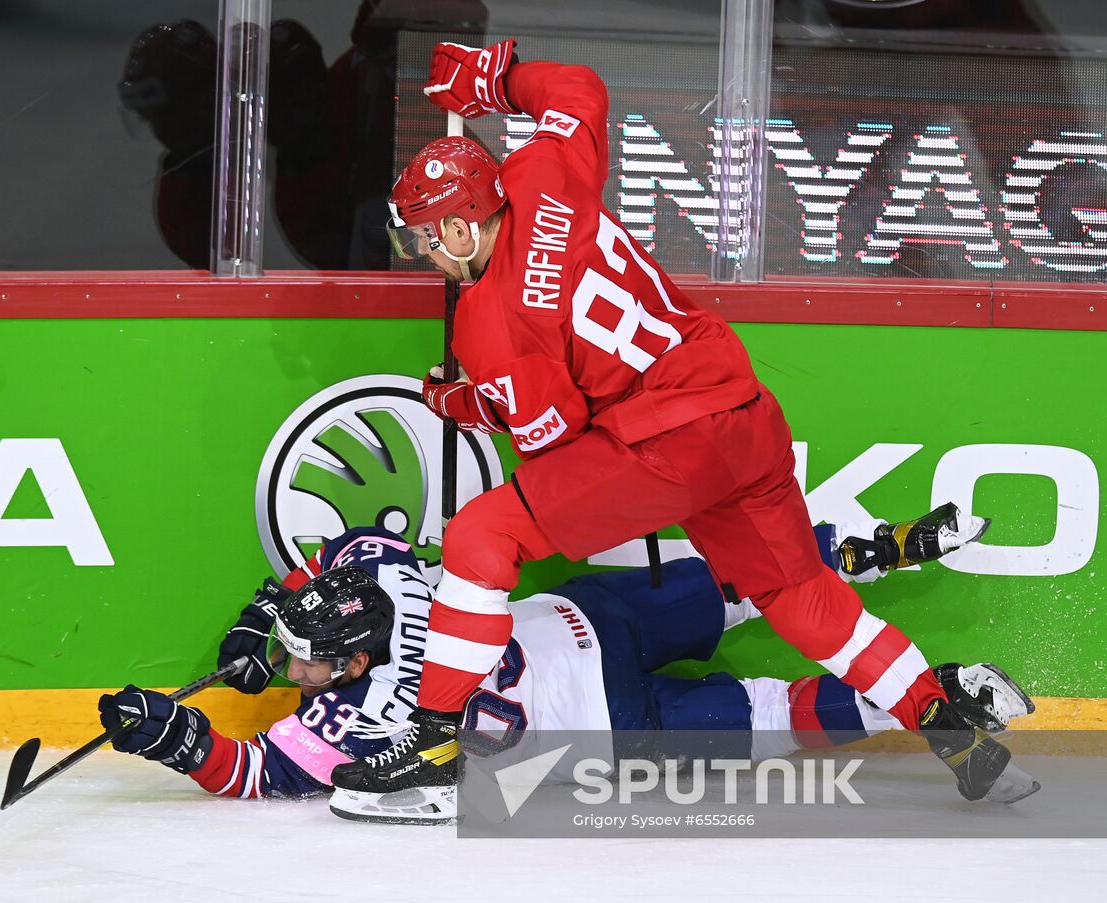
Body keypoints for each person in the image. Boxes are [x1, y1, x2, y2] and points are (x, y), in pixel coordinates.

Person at [331, 40, 1034, 812]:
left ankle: (432, 740)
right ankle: (946, 725)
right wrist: (497, 81)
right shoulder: (542, 174)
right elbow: (579, 87)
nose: (426, 256)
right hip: (741, 407)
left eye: (426, 240)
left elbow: (556, 443)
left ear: (461, 230)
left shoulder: (491, 327)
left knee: (480, 537)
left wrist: (465, 403)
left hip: (668, 442)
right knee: (799, 595)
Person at [96, 511, 1034, 822]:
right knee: (768, 688)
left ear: (354, 649)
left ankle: (884, 555)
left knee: (760, 630)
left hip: (597, 652)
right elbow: (317, 565)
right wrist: (245, 641)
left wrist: (187, 738)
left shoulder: (354, 669)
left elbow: (255, 773)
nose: (293, 674)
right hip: (601, 689)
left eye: (305, 661)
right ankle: (930, 675)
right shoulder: (363, 580)